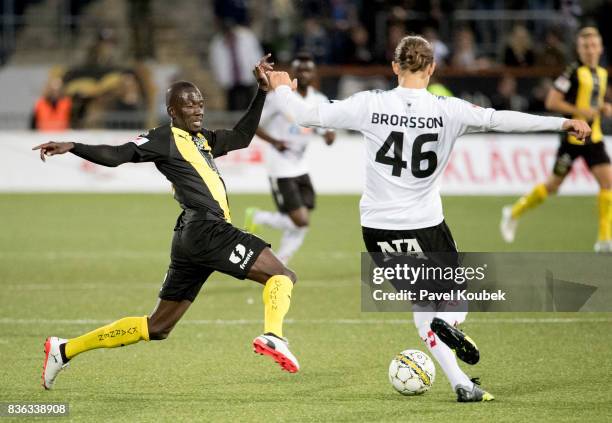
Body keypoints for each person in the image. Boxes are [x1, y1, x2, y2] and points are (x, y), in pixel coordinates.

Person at [265, 35, 590, 402]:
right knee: (456, 302)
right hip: (424, 223)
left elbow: (308, 115)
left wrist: (280, 89)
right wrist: (562, 124)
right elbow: (502, 120)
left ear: (394, 67)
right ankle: (449, 324)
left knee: (422, 311)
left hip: (377, 228)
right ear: (432, 68)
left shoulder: (370, 104)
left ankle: (461, 384)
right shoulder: (449, 110)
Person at [35, 55, 301, 391]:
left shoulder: (202, 140)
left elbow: (243, 137)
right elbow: (118, 154)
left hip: (191, 238)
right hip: (208, 230)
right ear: (173, 110)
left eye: (200, 103)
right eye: (189, 104)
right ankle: (274, 335)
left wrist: (261, 92)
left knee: (158, 326)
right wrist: (74, 145)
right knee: (282, 276)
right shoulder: (164, 138)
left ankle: (63, 349)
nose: (198, 109)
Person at [501, 27, 612, 251]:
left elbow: (593, 105)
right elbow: (552, 102)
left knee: (608, 183)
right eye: (585, 46)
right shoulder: (571, 72)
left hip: (594, 138)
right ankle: (513, 212)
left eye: (593, 46)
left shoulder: (602, 73)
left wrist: (602, 108)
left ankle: (604, 239)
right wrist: (580, 111)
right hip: (572, 141)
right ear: (579, 49)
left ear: (600, 48)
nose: (590, 50)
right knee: (553, 186)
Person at [244, 52, 335, 264]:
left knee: (303, 219)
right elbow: (254, 124)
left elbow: (327, 132)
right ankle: (259, 217)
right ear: (293, 73)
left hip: (301, 166)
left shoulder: (319, 100)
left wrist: (329, 135)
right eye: (300, 69)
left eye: (308, 69)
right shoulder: (279, 98)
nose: (304, 73)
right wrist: (275, 142)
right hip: (280, 166)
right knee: (300, 220)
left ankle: (281, 259)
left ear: (314, 73)